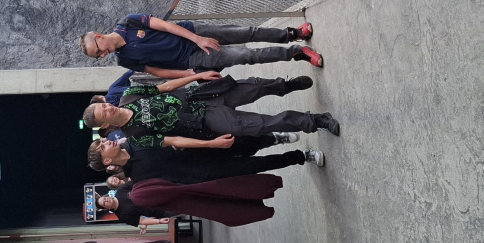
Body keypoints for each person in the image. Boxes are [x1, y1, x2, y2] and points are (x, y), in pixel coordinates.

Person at [82, 74, 339, 145]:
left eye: (103, 105)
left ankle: (284, 86)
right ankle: (315, 121)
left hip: (200, 94)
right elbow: (174, 140)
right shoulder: (136, 135)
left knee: (253, 87)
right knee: (259, 125)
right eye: (103, 112)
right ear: (105, 125)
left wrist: (197, 76)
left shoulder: (129, 95)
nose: (107, 108)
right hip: (204, 120)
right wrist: (210, 144)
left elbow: (165, 86)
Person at [81, 15, 322, 78]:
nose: (102, 55)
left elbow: (165, 26)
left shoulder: (128, 22)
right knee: (246, 55)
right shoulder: (124, 59)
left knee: (245, 32)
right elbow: (157, 71)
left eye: (98, 51)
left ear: (99, 37)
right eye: (98, 56)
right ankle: (297, 52)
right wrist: (191, 74)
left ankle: (291, 34)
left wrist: (197, 38)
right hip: (192, 60)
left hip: (193, 33)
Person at [88, 135, 324, 180]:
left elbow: (173, 139)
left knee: (247, 143)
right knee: (256, 165)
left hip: (203, 148)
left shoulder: (135, 140)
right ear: (107, 161)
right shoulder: (138, 177)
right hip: (206, 172)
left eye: (102, 140)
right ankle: (302, 156)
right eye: (102, 146)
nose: (106, 141)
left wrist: (209, 142)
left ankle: (274, 138)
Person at [128, 174, 287, 227]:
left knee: (224, 198)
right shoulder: (134, 197)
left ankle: (265, 196)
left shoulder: (133, 193)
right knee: (223, 199)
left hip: (183, 194)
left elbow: (161, 188)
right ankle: (264, 196)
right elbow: (162, 189)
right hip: (183, 195)